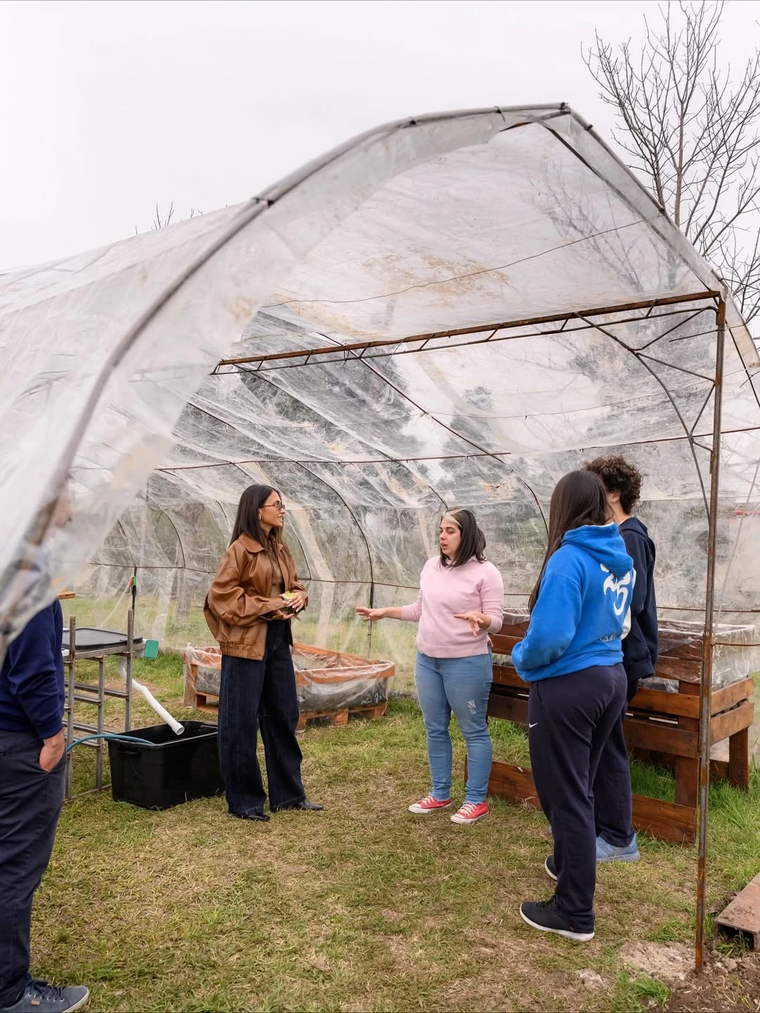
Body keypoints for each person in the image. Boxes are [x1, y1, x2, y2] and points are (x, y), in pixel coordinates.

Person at [511, 470, 633, 942]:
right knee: (581, 784)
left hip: (569, 685)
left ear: (562, 506)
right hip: (610, 677)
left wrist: (522, 657)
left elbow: (550, 638)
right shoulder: (615, 555)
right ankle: (566, 861)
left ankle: (575, 912)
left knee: (566, 796)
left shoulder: (568, 558)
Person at [0, 493, 90, 1013]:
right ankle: (10, 992)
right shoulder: (27, 568)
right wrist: (52, 735)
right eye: (67, 493)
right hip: (19, 741)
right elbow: (33, 669)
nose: (73, 508)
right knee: (14, 866)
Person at [356, 509, 504, 825]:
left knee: (473, 731)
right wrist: (386, 612)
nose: (442, 536)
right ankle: (440, 793)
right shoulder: (431, 567)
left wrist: (483, 620)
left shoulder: (485, 572)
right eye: (440, 530)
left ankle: (476, 799)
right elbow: (420, 609)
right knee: (435, 729)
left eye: (450, 530)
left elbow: (497, 619)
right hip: (428, 661)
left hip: (466, 662)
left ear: (466, 534)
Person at [204, 485, 323, 821]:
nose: (282, 509)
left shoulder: (279, 547)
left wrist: (299, 596)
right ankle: (244, 801)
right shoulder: (240, 551)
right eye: (277, 504)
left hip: (277, 638)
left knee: (284, 715)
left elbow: (293, 585)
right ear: (257, 510)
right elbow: (222, 598)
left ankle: (288, 795)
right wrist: (272, 604)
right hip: (245, 644)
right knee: (240, 723)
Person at [585, 455, 658, 863]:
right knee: (601, 742)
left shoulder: (628, 538)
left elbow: (632, 602)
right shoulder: (617, 534)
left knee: (609, 745)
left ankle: (618, 837)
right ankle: (599, 825)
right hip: (616, 656)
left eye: (596, 487)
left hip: (623, 658)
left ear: (613, 493)